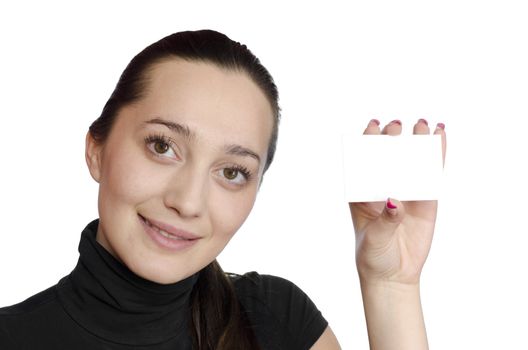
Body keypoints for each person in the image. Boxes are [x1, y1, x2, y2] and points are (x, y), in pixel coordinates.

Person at [0, 29, 446, 349]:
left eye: (232, 172)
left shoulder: (274, 321)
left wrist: (391, 285)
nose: (188, 202)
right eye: (162, 146)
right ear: (96, 149)